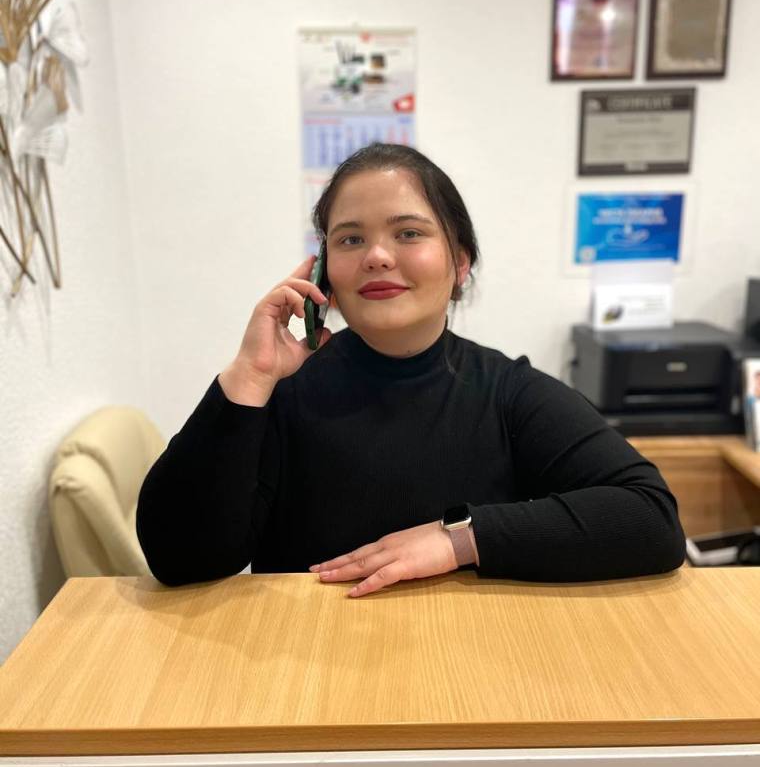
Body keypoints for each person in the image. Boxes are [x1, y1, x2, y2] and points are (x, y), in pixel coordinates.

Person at [136, 143, 685, 596]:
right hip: (305, 666)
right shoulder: (281, 391)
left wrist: (458, 539)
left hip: (464, 665)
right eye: (350, 239)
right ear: (323, 274)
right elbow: (179, 560)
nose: (376, 256)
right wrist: (251, 376)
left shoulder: (507, 391)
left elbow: (651, 519)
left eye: (408, 233)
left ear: (460, 263)